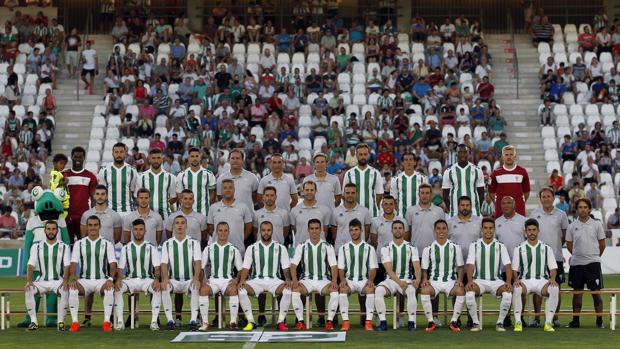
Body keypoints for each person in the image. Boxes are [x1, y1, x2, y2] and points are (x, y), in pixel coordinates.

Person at [237, 221, 293, 331]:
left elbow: (286, 268)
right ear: (259, 232)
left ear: (272, 231)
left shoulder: (280, 247)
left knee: (288, 290)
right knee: (241, 289)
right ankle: (251, 321)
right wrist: (242, 280)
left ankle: (280, 322)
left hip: (274, 280)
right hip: (256, 280)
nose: (266, 233)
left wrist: (287, 279)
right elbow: (246, 268)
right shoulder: (252, 248)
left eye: (268, 230)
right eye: (263, 230)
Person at [67, 216, 117, 332]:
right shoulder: (79, 244)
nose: (93, 228)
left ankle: (106, 322)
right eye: (90, 225)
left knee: (110, 289)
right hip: (85, 280)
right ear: (87, 227)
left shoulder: (107, 244)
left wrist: (110, 279)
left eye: (95, 225)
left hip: (101, 280)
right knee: (73, 289)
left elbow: (113, 264)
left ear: (99, 226)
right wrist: (73, 278)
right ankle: (75, 322)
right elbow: (73, 264)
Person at [113, 219, 164, 331]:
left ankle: (154, 322)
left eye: (141, 229)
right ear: (132, 231)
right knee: (117, 288)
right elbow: (120, 268)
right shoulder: (126, 248)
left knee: (157, 288)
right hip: (131, 280)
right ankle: (120, 321)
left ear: (145, 231)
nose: (138, 232)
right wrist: (119, 279)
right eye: (136, 229)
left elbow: (157, 268)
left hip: (147, 280)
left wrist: (156, 279)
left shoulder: (151, 247)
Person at [464, 218, 513, 332]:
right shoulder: (474, 245)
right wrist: (470, 281)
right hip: (479, 281)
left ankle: (500, 323)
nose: (488, 231)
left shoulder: (501, 245)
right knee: (469, 294)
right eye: (485, 228)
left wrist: (508, 282)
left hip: (496, 281)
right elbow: (470, 265)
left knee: (508, 294)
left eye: (491, 228)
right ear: (481, 229)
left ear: (494, 229)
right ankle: (476, 323)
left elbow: (508, 265)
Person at [511, 218, 560, 332]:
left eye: (534, 230)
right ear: (525, 232)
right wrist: (516, 279)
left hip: (541, 281)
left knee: (554, 288)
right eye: (529, 230)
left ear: (538, 231)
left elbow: (553, 268)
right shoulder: (519, 248)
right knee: (517, 289)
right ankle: (518, 322)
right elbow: (514, 269)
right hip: (525, 281)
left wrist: (552, 279)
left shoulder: (546, 247)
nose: (532, 232)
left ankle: (548, 323)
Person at [290, 219, 340, 330]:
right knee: (295, 290)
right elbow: (293, 266)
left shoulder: (328, 246)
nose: (314, 231)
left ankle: (329, 321)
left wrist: (334, 281)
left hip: (323, 280)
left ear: (321, 230)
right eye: (312, 228)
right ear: (308, 230)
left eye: (316, 228)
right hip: (306, 280)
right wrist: (294, 280)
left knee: (334, 291)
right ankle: (300, 321)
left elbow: (333, 266)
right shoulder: (302, 246)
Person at [529, 187, 569, 328]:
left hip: (556, 257)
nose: (546, 199)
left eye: (548, 196)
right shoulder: (534, 213)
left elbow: (564, 236)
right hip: (538, 258)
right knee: (537, 289)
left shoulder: (561, 214)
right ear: (540, 199)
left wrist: (554, 249)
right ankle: (537, 319)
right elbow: (530, 234)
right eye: (543, 196)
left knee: (555, 288)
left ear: (553, 198)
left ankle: (555, 318)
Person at [374, 219, 421, 332]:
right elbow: (389, 270)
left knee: (411, 291)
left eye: (400, 228)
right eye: (395, 228)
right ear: (391, 230)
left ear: (404, 230)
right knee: (378, 291)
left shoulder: (412, 247)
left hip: (406, 279)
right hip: (391, 280)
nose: (398, 230)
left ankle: (411, 322)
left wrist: (418, 279)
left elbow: (416, 266)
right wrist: (399, 283)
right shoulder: (386, 248)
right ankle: (383, 322)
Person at [566, 198, 606, 329]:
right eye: (580, 207)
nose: (582, 209)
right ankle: (575, 321)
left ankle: (599, 320)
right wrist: (578, 256)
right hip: (577, 264)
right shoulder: (572, 226)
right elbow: (569, 245)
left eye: (585, 207)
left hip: (593, 264)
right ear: (576, 209)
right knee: (577, 293)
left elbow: (602, 244)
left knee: (596, 293)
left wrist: (593, 257)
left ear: (589, 209)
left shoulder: (597, 224)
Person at [420, 219, 466, 333]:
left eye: (444, 228)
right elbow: (424, 269)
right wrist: (425, 279)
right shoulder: (428, 248)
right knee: (424, 290)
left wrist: (459, 279)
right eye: (438, 228)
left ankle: (454, 322)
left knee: (461, 291)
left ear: (447, 230)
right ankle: (431, 321)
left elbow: (460, 267)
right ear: (434, 231)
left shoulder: (455, 247)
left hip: (450, 281)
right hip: (434, 281)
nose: (441, 231)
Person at [24, 221, 71, 331]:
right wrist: (29, 281)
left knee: (65, 290)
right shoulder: (36, 246)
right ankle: (33, 322)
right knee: (29, 290)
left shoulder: (64, 246)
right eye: (48, 229)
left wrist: (65, 282)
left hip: (58, 281)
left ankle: (61, 322)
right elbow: (30, 265)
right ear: (45, 230)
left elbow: (67, 266)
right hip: (42, 281)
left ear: (57, 230)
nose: (51, 231)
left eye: (53, 229)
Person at [160, 215, 203, 331]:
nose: (180, 225)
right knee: (165, 287)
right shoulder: (167, 244)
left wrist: (195, 278)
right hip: (173, 280)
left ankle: (193, 320)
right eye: (177, 223)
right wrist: (165, 279)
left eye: (182, 223)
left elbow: (197, 262)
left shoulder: (194, 242)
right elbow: (164, 264)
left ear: (186, 226)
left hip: (189, 279)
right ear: (173, 226)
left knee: (195, 286)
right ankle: (170, 320)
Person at [198, 222, 243, 330]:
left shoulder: (234, 249)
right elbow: (201, 267)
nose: (223, 233)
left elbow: (240, 269)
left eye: (225, 230)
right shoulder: (209, 248)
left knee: (233, 290)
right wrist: (203, 278)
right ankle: (205, 322)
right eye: (220, 230)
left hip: (227, 281)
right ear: (216, 232)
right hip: (213, 280)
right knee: (203, 290)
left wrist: (237, 279)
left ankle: (233, 322)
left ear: (228, 232)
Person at [337, 219, 378, 331]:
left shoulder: (369, 248)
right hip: (349, 280)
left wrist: (370, 280)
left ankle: (368, 322)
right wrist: (342, 279)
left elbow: (373, 267)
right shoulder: (343, 248)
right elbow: (340, 268)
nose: (354, 232)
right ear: (349, 232)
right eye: (351, 230)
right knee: (343, 289)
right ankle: (345, 322)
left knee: (370, 289)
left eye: (356, 230)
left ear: (361, 231)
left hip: (363, 280)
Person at [207, 179, 253, 254]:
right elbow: (210, 227)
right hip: (218, 252)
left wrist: (240, 238)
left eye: (230, 187)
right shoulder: (213, 207)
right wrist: (219, 237)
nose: (228, 190)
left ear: (234, 190)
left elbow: (249, 227)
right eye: (225, 188)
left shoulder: (243, 207)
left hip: (238, 251)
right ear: (221, 191)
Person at [62, 146, 97, 243]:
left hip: (83, 217)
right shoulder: (63, 175)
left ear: (84, 158)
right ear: (71, 157)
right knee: (67, 245)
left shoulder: (90, 176)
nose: (78, 159)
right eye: (75, 157)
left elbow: (94, 198)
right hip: (66, 217)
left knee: (83, 244)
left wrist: (92, 214)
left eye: (80, 157)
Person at [442, 144, 485, 217]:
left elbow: (481, 194)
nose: (462, 154)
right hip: (455, 213)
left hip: (474, 213)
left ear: (468, 154)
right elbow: (445, 195)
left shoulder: (477, 170)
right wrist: (452, 209)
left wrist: (476, 209)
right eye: (460, 152)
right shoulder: (448, 171)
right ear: (456, 154)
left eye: (465, 152)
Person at [342, 143, 384, 217]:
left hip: (372, 214)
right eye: (360, 154)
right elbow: (344, 195)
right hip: (353, 214)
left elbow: (379, 195)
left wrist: (371, 205)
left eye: (365, 154)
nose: (363, 157)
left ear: (368, 155)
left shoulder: (375, 173)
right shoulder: (349, 173)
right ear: (356, 155)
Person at [98, 143, 138, 217]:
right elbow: (102, 191)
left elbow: (133, 191)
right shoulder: (104, 170)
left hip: (128, 211)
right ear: (112, 153)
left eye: (121, 152)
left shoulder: (132, 170)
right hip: (109, 211)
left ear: (125, 153)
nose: (119, 154)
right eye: (116, 152)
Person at [489, 145, 530, 218]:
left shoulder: (522, 172)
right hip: (501, 211)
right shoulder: (495, 173)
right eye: (506, 154)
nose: (509, 157)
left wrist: (520, 202)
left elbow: (526, 192)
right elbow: (491, 192)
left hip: (519, 210)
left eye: (511, 154)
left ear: (515, 156)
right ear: (502, 157)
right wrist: (498, 203)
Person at [137, 148, 177, 220]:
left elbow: (173, 198)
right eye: (153, 158)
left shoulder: (171, 177)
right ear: (149, 159)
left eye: (158, 158)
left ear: (162, 159)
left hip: (165, 218)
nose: (156, 160)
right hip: (146, 218)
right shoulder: (141, 177)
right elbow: (137, 198)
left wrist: (165, 205)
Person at [330, 183, 372, 252]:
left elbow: (366, 232)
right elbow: (334, 233)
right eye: (347, 193)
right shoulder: (335, 211)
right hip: (341, 250)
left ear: (356, 194)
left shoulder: (365, 211)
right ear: (344, 194)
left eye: (353, 193)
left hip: (359, 251)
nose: (350, 195)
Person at [176, 147, 216, 217]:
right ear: (188, 158)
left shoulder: (209, 174)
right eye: (192, 156)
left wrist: (206, 205)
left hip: (203, 214)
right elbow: (179, 195)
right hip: (185, 215)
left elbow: (212, 193)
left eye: (197, 156)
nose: (194, 158)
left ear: (200, 157)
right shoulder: (181, 175)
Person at [406, 183, 446, 252]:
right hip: (415, 253)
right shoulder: (410, 210)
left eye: (427, 193)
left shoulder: (439, 211)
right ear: (419, 194)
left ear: (431, 195)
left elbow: (443, 233)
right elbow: (407, 233)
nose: (424, 196)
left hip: (434, 252)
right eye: (422, 193)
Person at [290, 180, 331, 246]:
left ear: (316, 191)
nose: (309, 192)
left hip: (320, 249)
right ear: (303, 191)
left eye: (312, 190)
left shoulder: (325, 210)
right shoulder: (294, 210)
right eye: (307, 190)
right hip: (301, 250)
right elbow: (295, 230)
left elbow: (325, 230)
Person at [391, 153, 428, 217]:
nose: (408, 162)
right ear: (402, 163)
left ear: (415, 162)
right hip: (401, 216)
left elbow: (427, 198)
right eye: (406, 160)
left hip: (419, 215)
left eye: (411, 159)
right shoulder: (395, 179)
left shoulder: (423, 178)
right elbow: (394, 199)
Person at [49, 153, 69, 218]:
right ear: (55, 163)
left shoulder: (58, 173)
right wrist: (64, 182)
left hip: (63, 205)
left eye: (64, 164)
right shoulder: (55, 173)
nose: (62, 166)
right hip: (60, 205)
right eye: (61, 163)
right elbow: (53, 187)